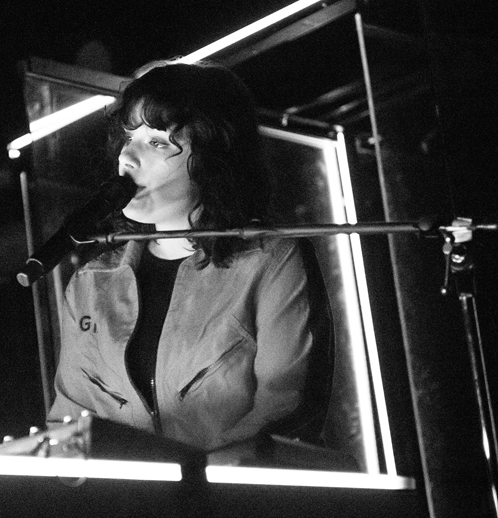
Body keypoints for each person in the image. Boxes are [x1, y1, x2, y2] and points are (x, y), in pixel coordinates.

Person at [46, 59, 334, 464]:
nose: (127, 158)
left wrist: (196, 479)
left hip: (236, 498)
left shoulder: (270, 260)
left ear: (214, 157)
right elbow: (69, 426)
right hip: (129, 503)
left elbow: (284, 408)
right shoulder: (92, 283)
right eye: (128, 138)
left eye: (157, 142)